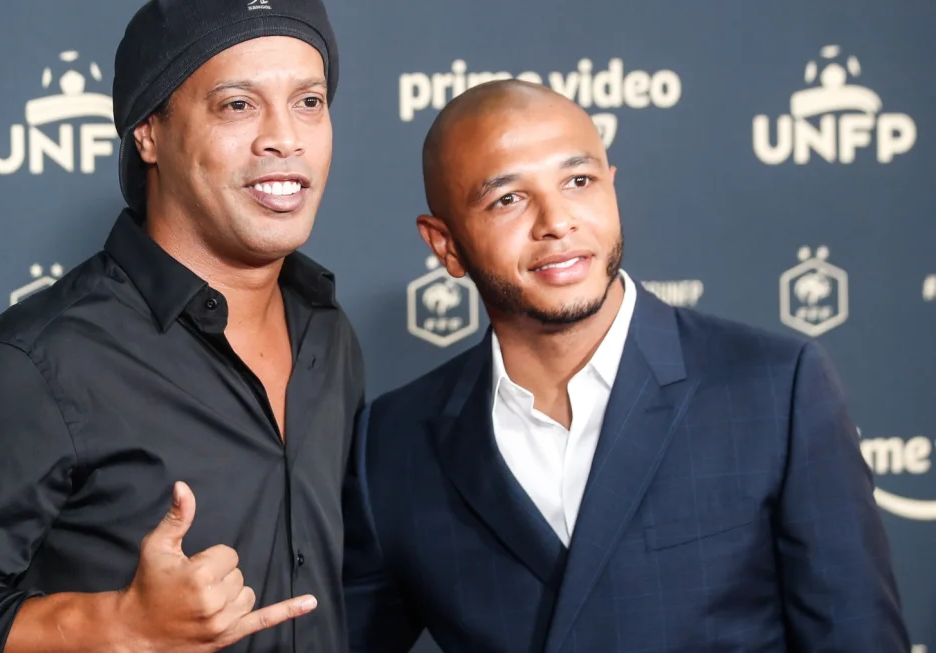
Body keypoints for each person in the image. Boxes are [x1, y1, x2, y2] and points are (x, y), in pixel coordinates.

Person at [0, 2, 364, 652]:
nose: (283, 138)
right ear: (148, 132)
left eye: (309, 101)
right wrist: (117, 623)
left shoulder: (326, 330)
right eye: (237, 105)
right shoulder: (37, 362)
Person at [342, 79, 911, 652]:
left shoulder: (773, 388)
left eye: (579, 181)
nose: (557, 221)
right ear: (445, 245)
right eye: (508, 199)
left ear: (611, 188)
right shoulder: (392, 444)